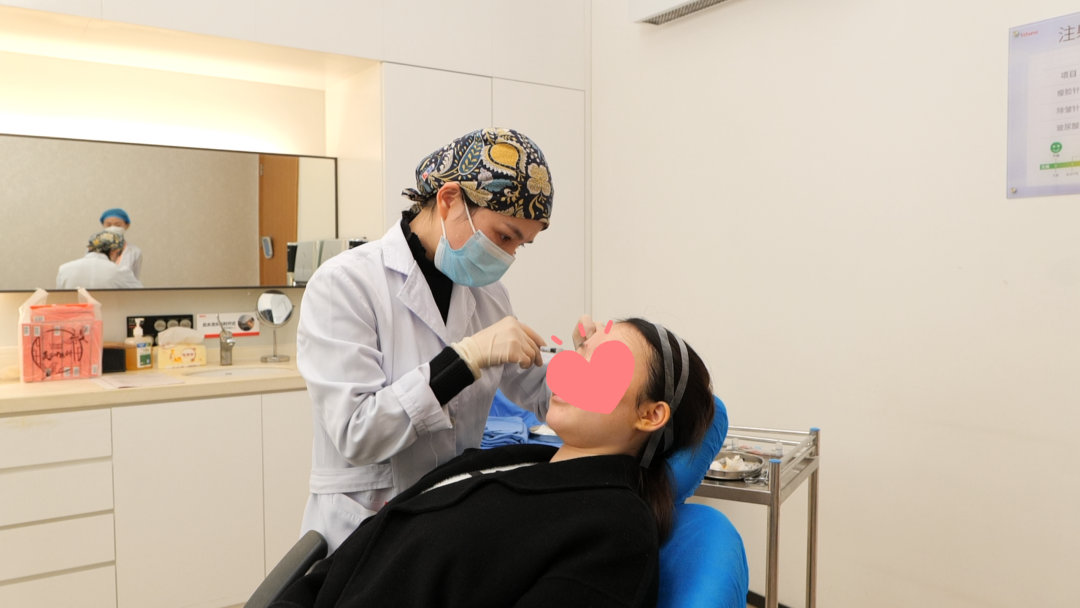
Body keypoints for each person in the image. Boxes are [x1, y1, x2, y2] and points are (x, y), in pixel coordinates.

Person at [272, 319, 715, 608]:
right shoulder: (515, 461)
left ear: (650, 415)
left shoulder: (616, 530)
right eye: (581, 351)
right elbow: (378, 539)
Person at [297, 128, 565, 553]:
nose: (509, 256)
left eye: (521, 245)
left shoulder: (489, 294)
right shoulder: (345, 284)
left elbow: (540, 391)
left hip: (449, 523)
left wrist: (595, 371)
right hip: (363, 530)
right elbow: (357, 433)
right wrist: (463, 361)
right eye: (504, 236)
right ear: (449, 200)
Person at [56, 231, 143, 289]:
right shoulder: (121, 272)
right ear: (115, 251)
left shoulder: (64, 269)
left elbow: (59, 299)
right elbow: (141, 296)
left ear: (90, 248)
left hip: (73, 312)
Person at [100, 208, 142, 280]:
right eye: (108, 225)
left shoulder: (134, 251)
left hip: (125, 287)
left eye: (118, 225)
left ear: (127, 225)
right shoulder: (94, 250)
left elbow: (134, 279)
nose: (113, 228)